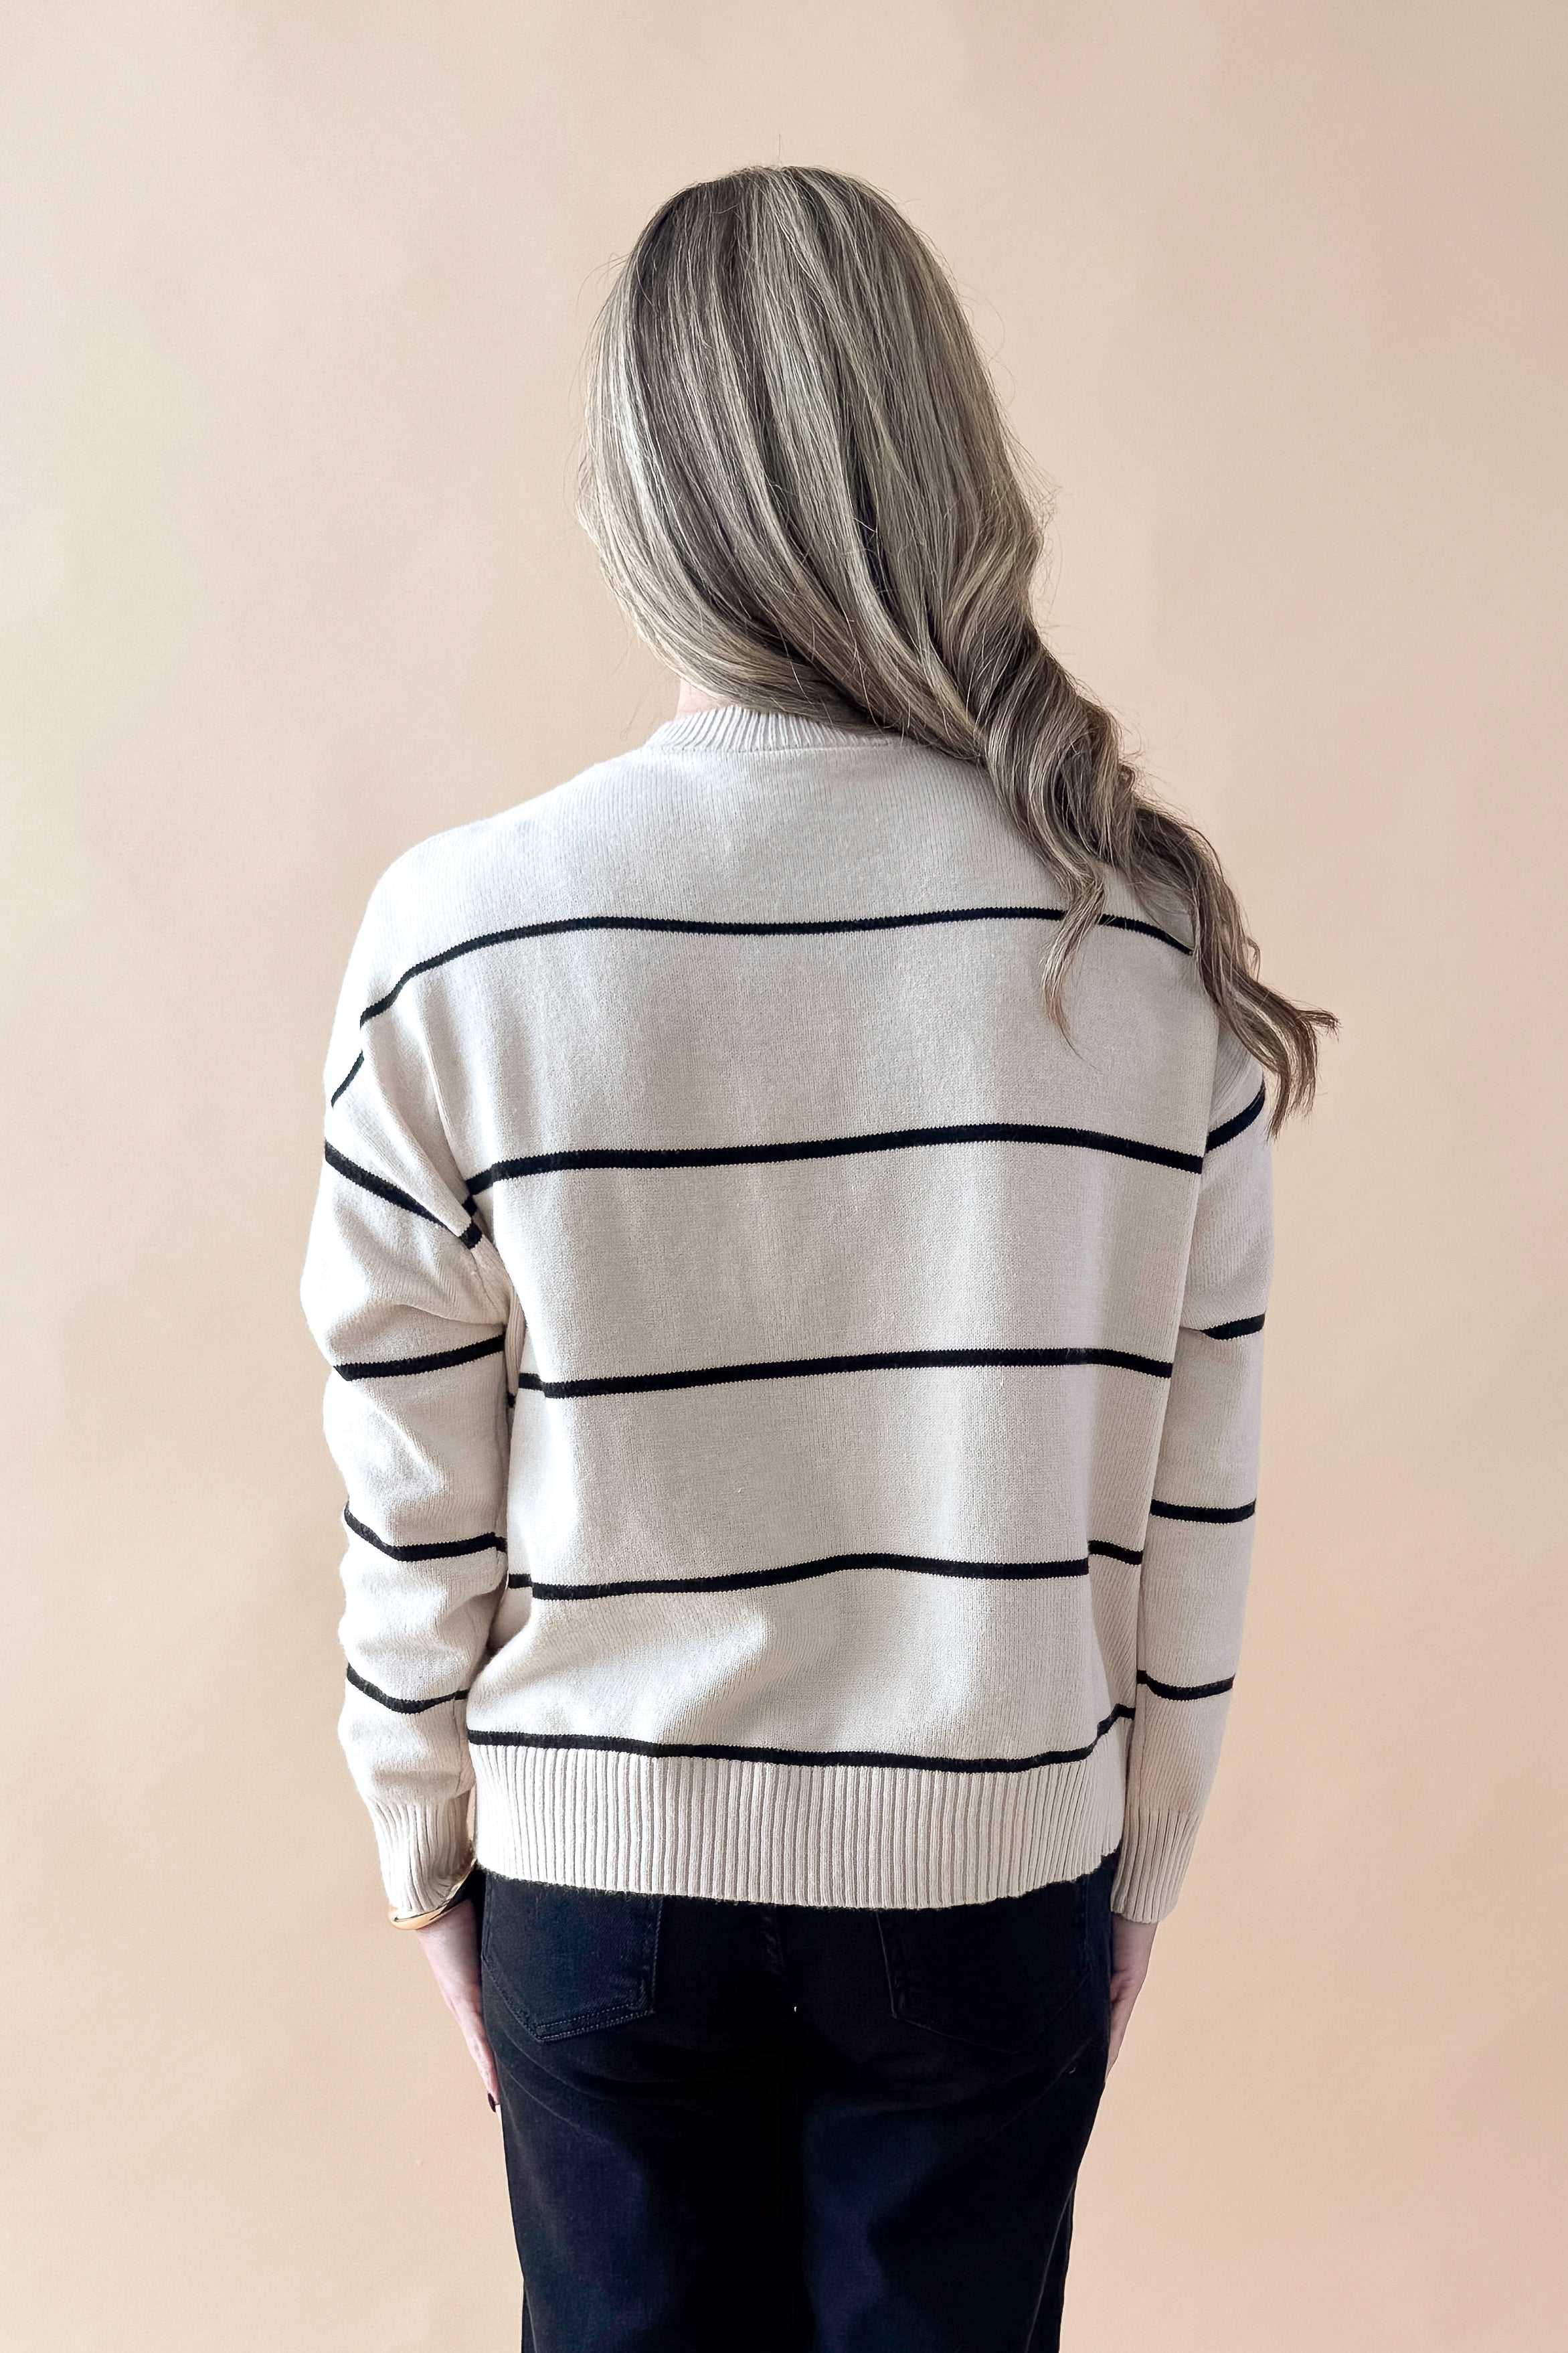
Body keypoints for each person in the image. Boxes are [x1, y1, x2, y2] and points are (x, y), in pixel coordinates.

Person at [300, 165, 1332, 2353]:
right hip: (987, 1874)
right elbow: (1193, 1499)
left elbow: (412, 1482)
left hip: (598, 1873)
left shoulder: (463, 939)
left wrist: (424, 1844)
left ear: (640, 490)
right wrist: (1133, 1862)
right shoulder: (1145, 947)